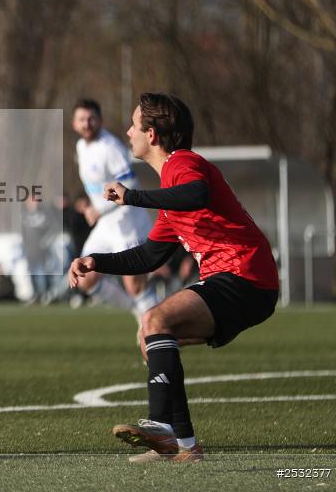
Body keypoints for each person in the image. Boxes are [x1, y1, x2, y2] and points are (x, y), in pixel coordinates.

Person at [68, 93, 279, 463]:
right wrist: (94, 261)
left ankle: (161, 426)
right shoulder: (170, 193)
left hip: (246, 275)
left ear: (151, 134)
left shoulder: (184, 163)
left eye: (134, 124)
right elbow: (148, 256)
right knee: (149, 335)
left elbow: (197, 193)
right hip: (236, 280)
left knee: (155, 319)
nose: (128, 131)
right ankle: (184, 446)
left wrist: (133, 197)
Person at [71, 99, 157, 316]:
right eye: (82, 119)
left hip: (128, 224)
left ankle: (156, 324)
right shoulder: (81, 147)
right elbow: (97, 185)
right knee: (84, 277)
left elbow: (131, 184)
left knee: (135, 286)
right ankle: (142, 314)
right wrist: (89, 205)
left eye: (91, 119)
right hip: (106, 226)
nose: (87, 124)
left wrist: (100, 209)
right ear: (74, 123)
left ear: (100, 120)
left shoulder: (111, 147)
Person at [20, 196, 60, 304]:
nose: (35, 203)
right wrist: (24, 245)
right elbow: (23, 233)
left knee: (44, 272)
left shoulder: (45, 214)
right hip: (30, 250)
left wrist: (46, 241)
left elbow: (53, 229)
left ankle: (46, 294)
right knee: (32, 273)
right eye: (33, 200)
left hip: (43, 250)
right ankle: (35, 295)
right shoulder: (24, 215)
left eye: (36, 200)